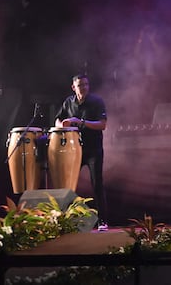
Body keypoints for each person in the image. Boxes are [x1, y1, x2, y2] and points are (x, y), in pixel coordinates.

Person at [54, 73, 109, 230]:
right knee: (68, 185)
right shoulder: (68, 103)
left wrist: (81, 122)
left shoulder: (97, 101)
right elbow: (58, 119)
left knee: (97, 184)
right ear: (73, 87)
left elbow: (102, 125)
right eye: (80, 85)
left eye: (86, 84)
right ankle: (67, 220)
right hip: (72, 149)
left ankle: (102, 221)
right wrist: (61, 125)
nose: (84, 87)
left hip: (93, 149)